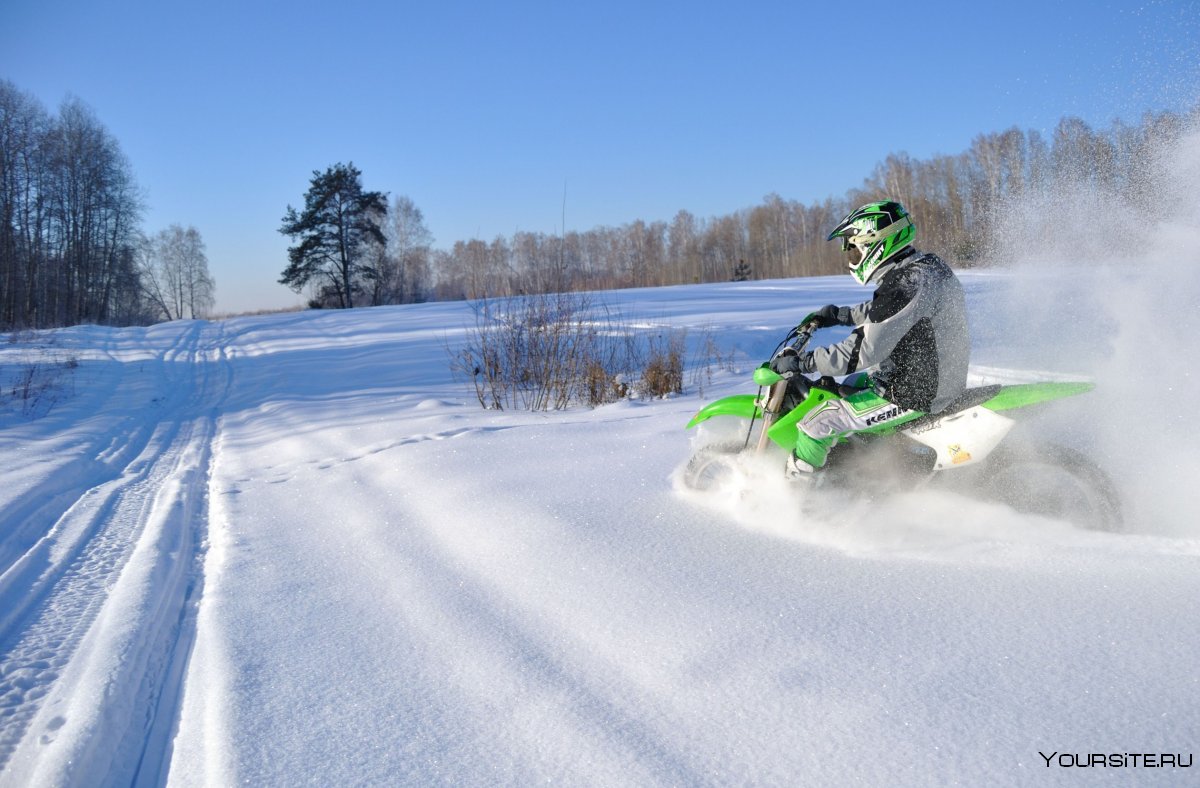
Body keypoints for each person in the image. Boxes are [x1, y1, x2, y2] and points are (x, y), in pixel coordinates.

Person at [769, 200, 970, 476]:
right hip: (933, 379)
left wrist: (803, 363)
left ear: (875, 244)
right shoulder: (923, 268)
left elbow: (861, 351)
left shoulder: (905, 284)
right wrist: (841, 316)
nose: (851, 255)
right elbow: (889, 315)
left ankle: (800, 502)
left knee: (818, 423)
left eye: (853, 247)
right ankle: (870, 467)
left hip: (915, 394)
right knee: (851, 384)